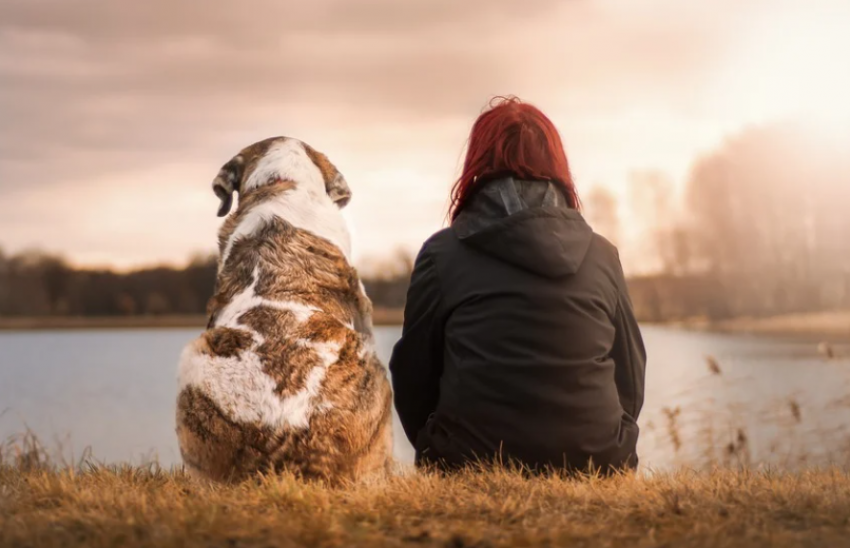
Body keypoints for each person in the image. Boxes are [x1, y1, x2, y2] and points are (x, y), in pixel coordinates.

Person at [388, 96, 646, 474]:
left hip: (468, 462)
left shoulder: (442, 255)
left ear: (477, 164)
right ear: (557, 164)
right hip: (598, 462)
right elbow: (631, 374)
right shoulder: (602, 255)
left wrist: (436, 445)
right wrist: (610, 440)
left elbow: (413, 375)